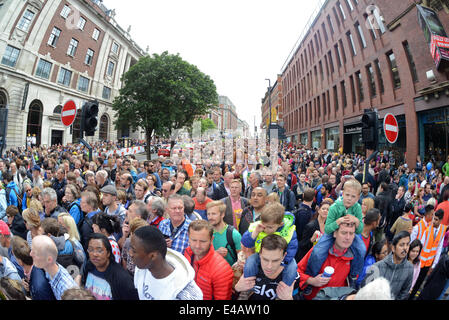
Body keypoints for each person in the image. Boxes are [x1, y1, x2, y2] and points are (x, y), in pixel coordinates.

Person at [305, 179, 365, 289]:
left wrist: (356, 221)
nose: (349, 199)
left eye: (353, 196)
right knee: (317, 252)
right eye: (347, 195)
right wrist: (338, 222)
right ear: (342, 193)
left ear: (358, 198)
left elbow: (359, 230)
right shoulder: (334, 207)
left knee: (361, 249)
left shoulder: (357, 208)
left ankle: (353, 275)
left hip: (349, 233)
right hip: (332, 233)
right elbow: (327, 229)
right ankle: (311, 277)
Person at [130, 225, 203, 300]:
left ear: (153, 256)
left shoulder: (186, 294)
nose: (130, 253)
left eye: (134, 251)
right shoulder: (141, 269)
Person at [241, 202, 298, 287]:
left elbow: (292, 248)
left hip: (281, 258)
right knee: (250, 262)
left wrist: (283, 264)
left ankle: (285, 288)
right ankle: (248, 285)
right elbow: (246, 243)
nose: (266, 229)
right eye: (264, 225)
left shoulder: (289, 231)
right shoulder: (258, 226)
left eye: (270, 227)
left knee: (293, 267)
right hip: (262, 255)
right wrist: (255, 232)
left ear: (280, 224)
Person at [297, 222, 358, 300]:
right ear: (335, 234)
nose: (348, 237)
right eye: (344, 233)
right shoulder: (318, 252)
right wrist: (311, 280)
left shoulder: (355, 258)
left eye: (351, 233)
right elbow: (296, 273)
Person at [234, 234, 300, 300]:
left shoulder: (292, 276)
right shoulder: (242, 268)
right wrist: (237, 289)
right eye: (265, 259)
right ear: (259, 254)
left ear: (284, 256)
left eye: (275, 260)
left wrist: (288, 298)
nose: (269, 266)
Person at [76, 233, 138, 300]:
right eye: (91, 250)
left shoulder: (122, 278)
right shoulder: (88, 266)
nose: (94, 254)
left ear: (108, 253)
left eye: (99, 250)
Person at [183, 220, 234, 300]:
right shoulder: (187, 253)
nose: (197, 246)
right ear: (188, 236)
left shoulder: (222, 270)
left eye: (203, 241)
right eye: (193, 240)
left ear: (211, 239)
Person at [362, 231, 414, 300]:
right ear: (393, 248)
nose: (405, 248)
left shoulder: (409, 269)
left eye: (407, 244)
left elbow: (404, 292)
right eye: (401, 245)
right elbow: (365, 289)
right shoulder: (376, 267)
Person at [410, 208, 448, 299]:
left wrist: (434, 264)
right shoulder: (428, 229)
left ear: (441, 220)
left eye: (436, 219)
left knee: (419, 285)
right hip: (420, 262)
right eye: (433, 218)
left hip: (428, 264)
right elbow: (421, 245)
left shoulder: (443, 230)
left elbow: (439, 248)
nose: (433, 221)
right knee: (413, 282)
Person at [30, 235, 78, 300]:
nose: (30, 254)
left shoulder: (66, 289)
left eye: (35, 253)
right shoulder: (49, 270)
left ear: (49, 259)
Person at [10, 235, 56, 300]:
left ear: (20, 261)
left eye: (15, 257)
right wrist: (29, 287)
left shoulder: (38, 287)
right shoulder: (35, 267)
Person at [206, 201, 242, 266]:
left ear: (222, 214)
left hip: (229, 273)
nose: (210, 217)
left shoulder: (234, 234)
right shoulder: (205, 233)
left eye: (214, 214)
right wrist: (215, 254)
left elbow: (242, 259)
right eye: (208, 214)